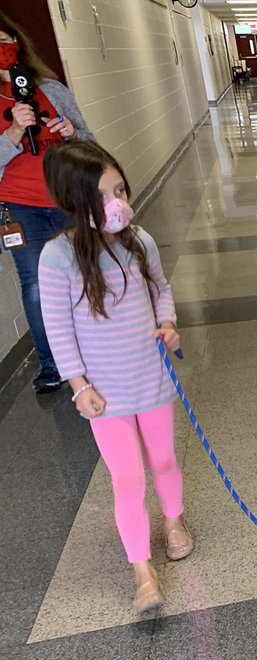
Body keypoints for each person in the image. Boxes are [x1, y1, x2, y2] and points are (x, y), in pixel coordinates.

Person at [40, 141, 192, 612]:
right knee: (127, 478)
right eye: (104, 197)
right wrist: (78, 385)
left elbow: (160, 291)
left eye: (120, 189)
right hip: (105, 394)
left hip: (151, 377)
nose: (118, 205)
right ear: (75, 202)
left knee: (163, 460)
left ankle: (173, 521)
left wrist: (167, 324)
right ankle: (142, 571)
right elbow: (59, 331)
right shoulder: (57, 258)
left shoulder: (140, 242)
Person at [0, 14, 94, 393]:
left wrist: (71, 133)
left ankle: (92, 352)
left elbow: (90, 143)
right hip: (19, 207)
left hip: (66, 197)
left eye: (5, 40)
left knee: (84, 275)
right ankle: (52, 364)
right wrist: (13, 132)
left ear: (18, 42)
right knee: (37, 285)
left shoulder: (52, 90)